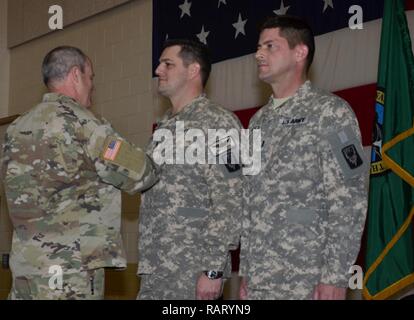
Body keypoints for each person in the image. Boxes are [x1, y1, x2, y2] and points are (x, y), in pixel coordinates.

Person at [1, 46, 158, 300]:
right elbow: (140, 173)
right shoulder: (83, 124)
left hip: (25, 270)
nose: (92, 86)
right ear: (76, 75)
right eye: (90, 77)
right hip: (70, 273)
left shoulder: (17, 127)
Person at [239, 15, 369, 300]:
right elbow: (251, 203)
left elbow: (349, 199)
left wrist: (335, 276)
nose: (258, 54)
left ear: (300, 52)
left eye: (270, 46)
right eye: (259, 46)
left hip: (308, 279)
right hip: (261, 279)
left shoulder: (331, 112)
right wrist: (246, 271)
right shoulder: (258, 122)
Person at [137, 39, 243, 300]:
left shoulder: (221, 121)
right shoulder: (163, 127)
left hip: (192, 270)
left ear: (193, 70)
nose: (158, 70)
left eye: (168, 64)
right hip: (156, 267)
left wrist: (213, 270)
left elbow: (232, 199)